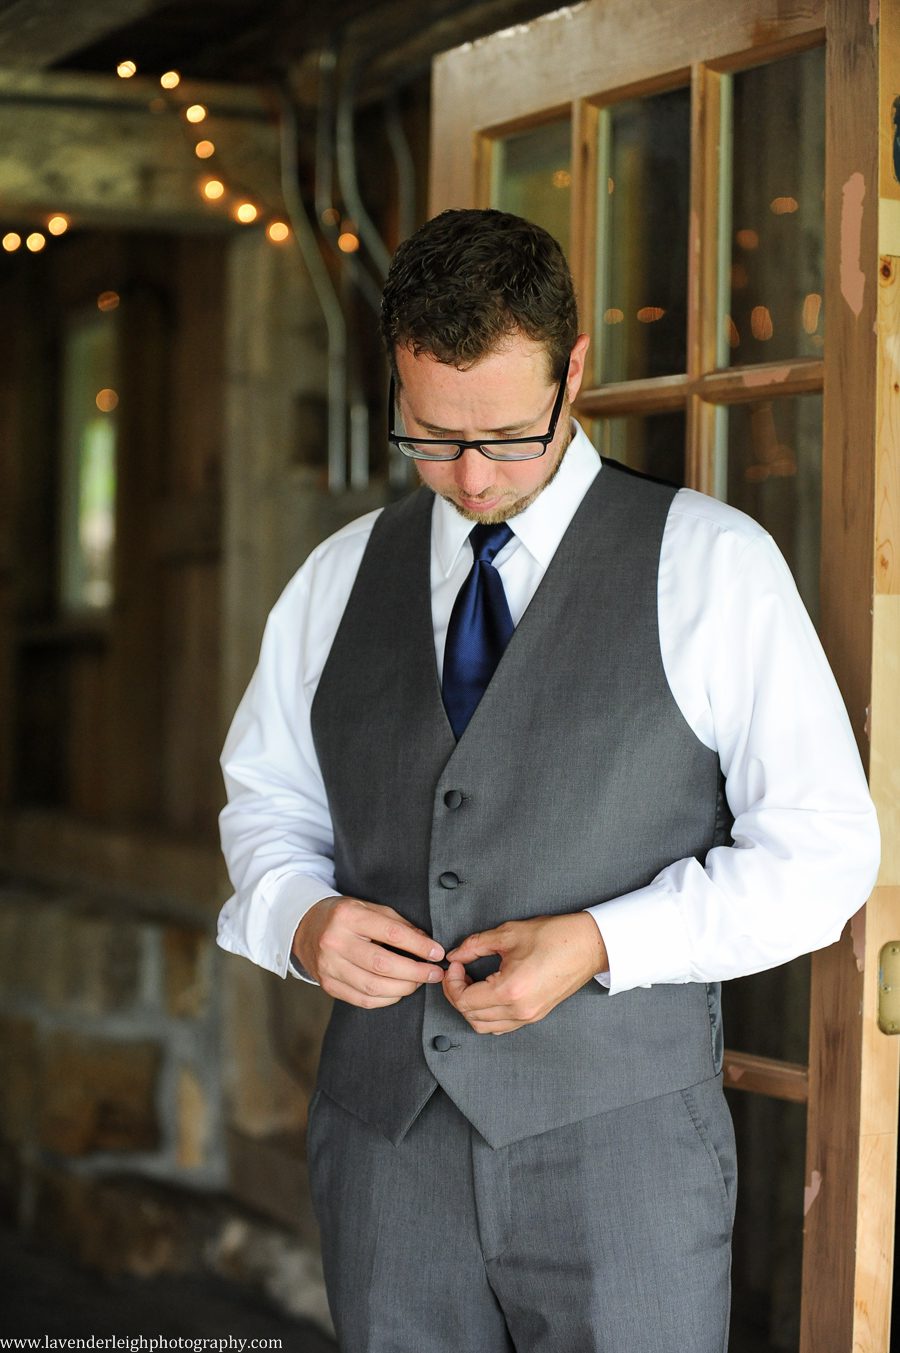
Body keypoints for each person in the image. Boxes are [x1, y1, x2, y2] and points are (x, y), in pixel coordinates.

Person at [217, 208, 880, 1353]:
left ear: (573, 372)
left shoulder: (711, 564)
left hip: (619, 1159)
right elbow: (267, 802)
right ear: (396, 381)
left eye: (512, 436)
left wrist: (605, 942)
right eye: (430, 437)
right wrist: (298, 916)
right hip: (384, 1157)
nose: (471, 476)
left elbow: (824, 854)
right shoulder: (334, 581)